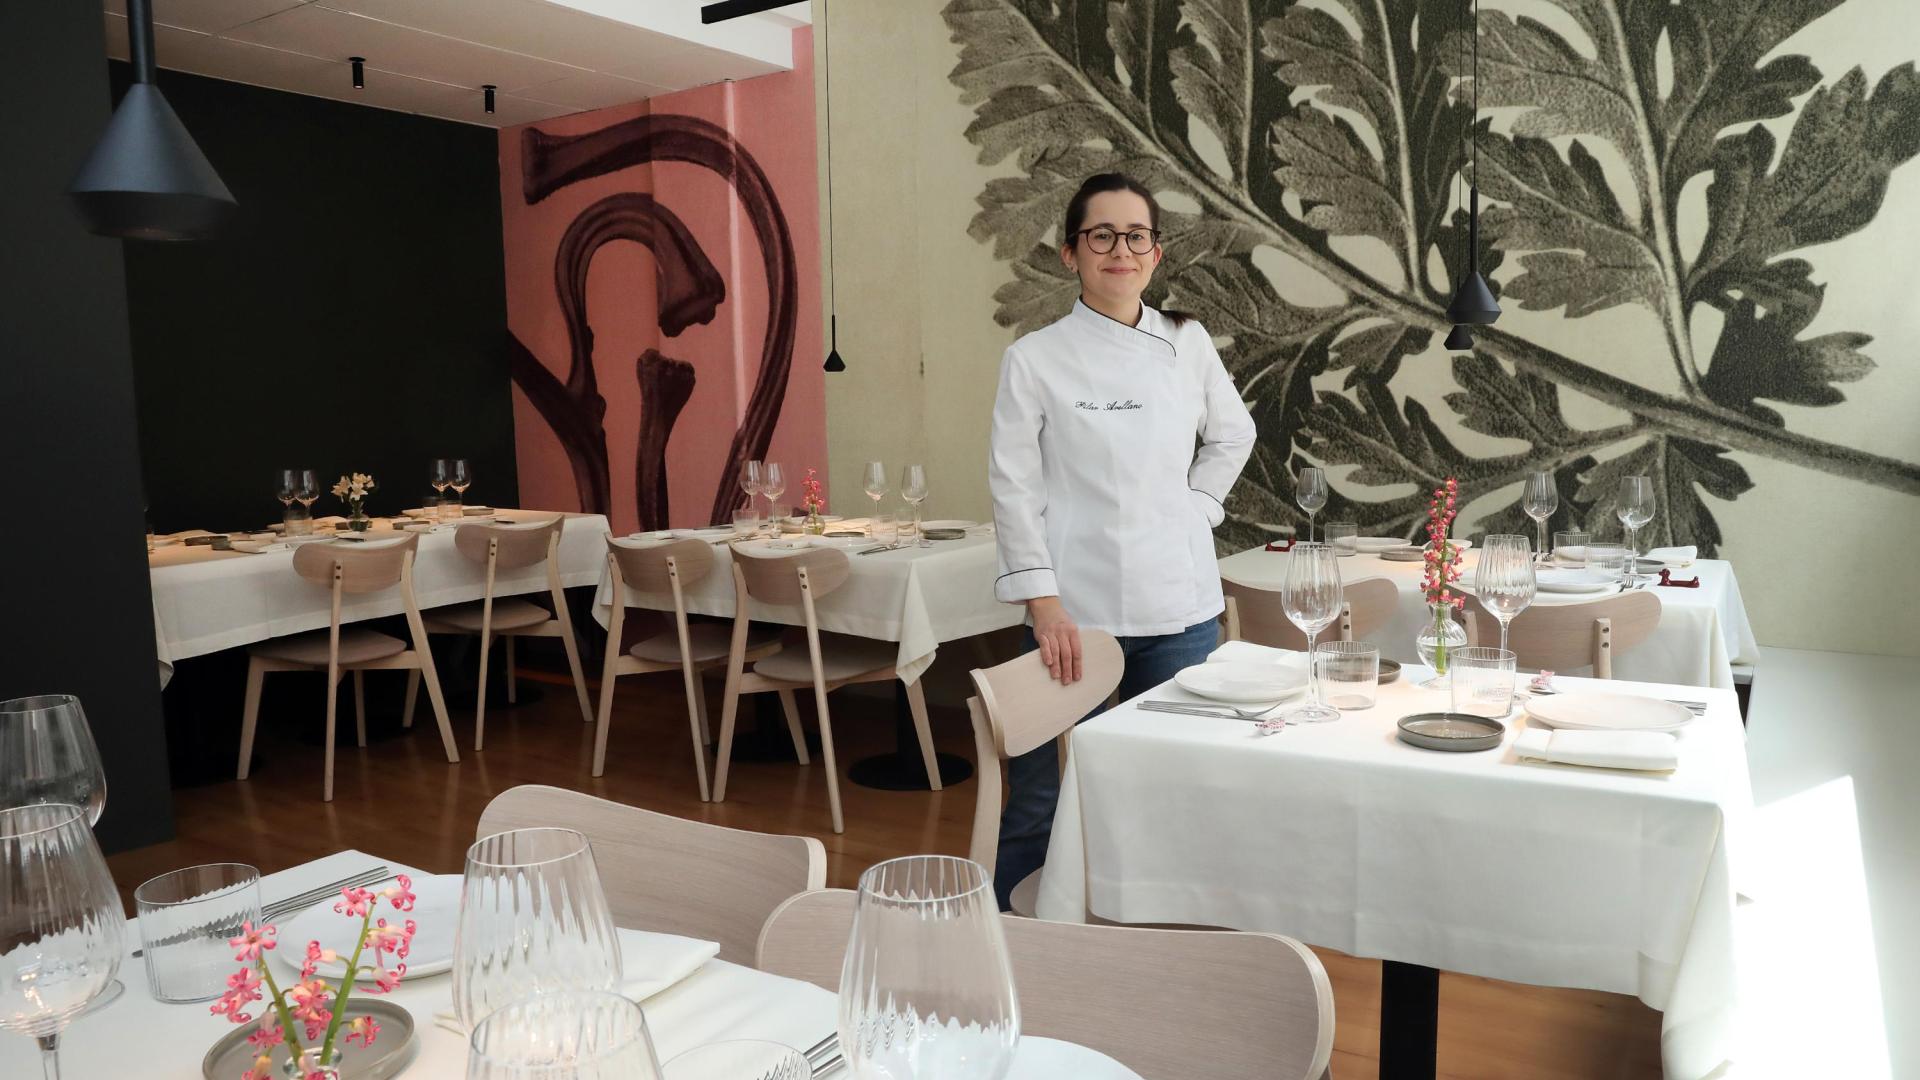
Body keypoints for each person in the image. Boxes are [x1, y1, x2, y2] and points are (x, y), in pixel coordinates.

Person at [987, 172, 1257, 909]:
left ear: (1155, 254)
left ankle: (1158, 949)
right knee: (1044, 795)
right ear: (1071, 253)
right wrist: (1044, 608)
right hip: (1073, 617)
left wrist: (1195, 506)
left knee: (1177, 794)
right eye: (1100, 235)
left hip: (1181, 612)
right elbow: (1014, 489)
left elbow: (1235, 433)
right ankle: (1015, 948)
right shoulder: (1034, 360)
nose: (1120, 249)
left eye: (1135, 235)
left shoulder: (1187, 341)